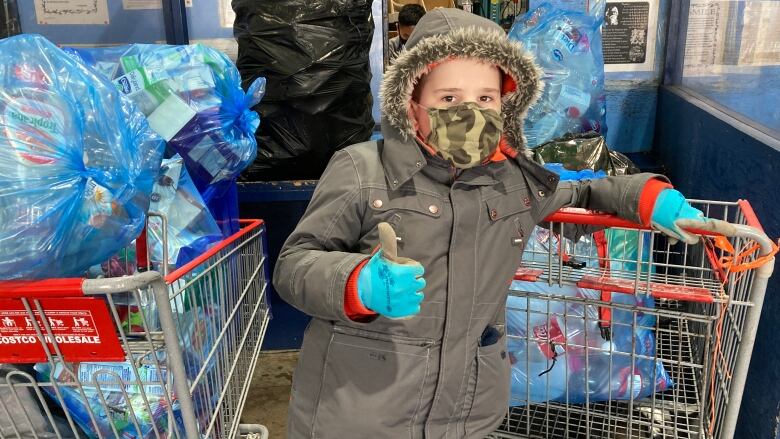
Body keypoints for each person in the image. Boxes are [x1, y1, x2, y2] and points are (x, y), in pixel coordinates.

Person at [274, 8, 707, 439]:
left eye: (486, 98)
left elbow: (582, 192)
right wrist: (357, 284)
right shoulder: (361, 170)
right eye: (448, 99)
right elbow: (293, 265)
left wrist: (648, 196)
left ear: (506, 104)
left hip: (468, 411)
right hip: (360, 410)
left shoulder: (513, 183)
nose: (471, 113)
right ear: (411, 103)